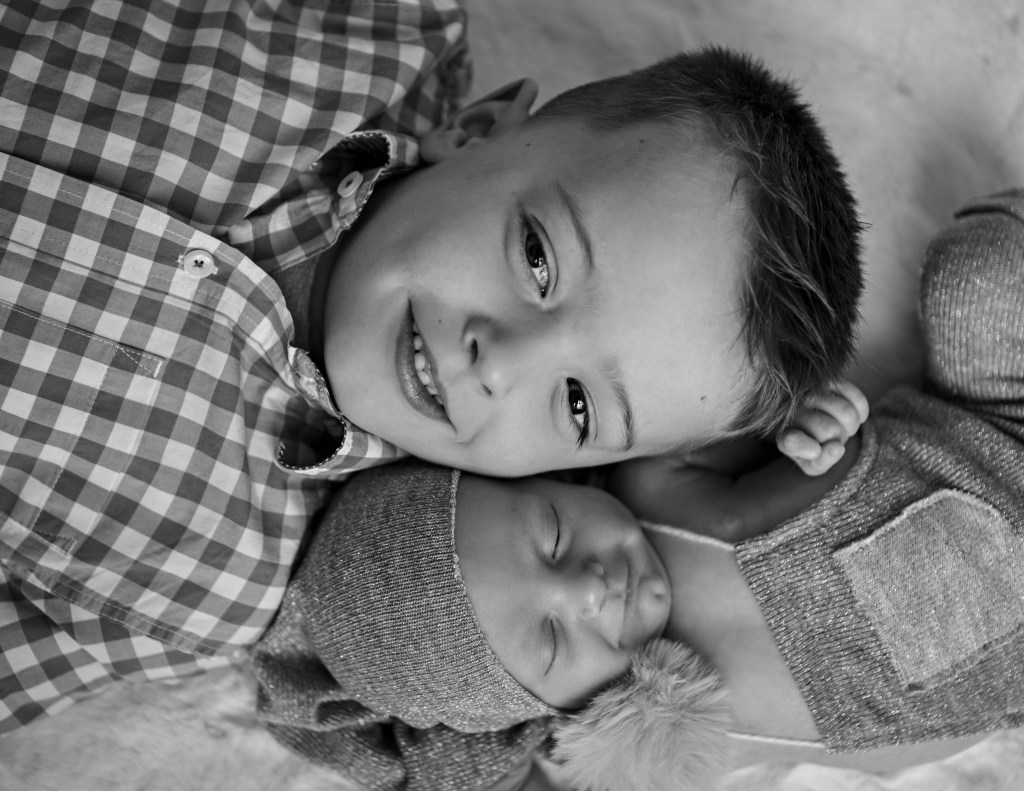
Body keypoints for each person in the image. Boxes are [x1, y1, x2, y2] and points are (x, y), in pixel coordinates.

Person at [1, 0, 862, 733]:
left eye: (576, 406)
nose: (501, 362)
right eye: (537, 259)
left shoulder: (218, 579)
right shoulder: (373, 31)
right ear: (479, 130)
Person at [250, 187, 1024, 791]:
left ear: (541, 477)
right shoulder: (666, 746)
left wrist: (804, 423)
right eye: (552, 641)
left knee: (977, 272)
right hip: (1003, 691)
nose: (589, 587)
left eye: (554, 532)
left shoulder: (652, 483)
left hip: (992, 431)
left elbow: (747, 399)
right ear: (547, 706)